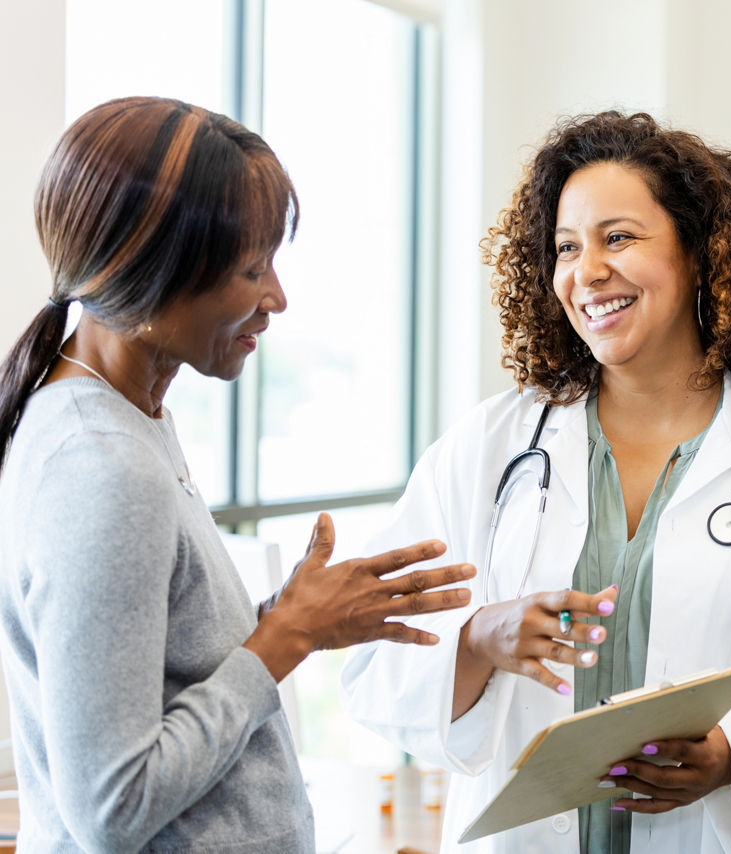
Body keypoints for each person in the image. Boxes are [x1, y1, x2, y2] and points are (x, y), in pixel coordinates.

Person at [341, 111, 731, 853]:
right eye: (566, 247)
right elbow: (376, 656)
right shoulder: (489, 447)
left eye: (618, 237)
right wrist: (477, 639)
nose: (587, 270)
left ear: (699, 253)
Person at [0, 96, 475, 852]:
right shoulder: (101, 467)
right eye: (251, 269)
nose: (276, 298)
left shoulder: (128, 417)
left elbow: (163, 667)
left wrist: (293, 618)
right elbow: (111, 808)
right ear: (151, 272)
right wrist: (282, 639)